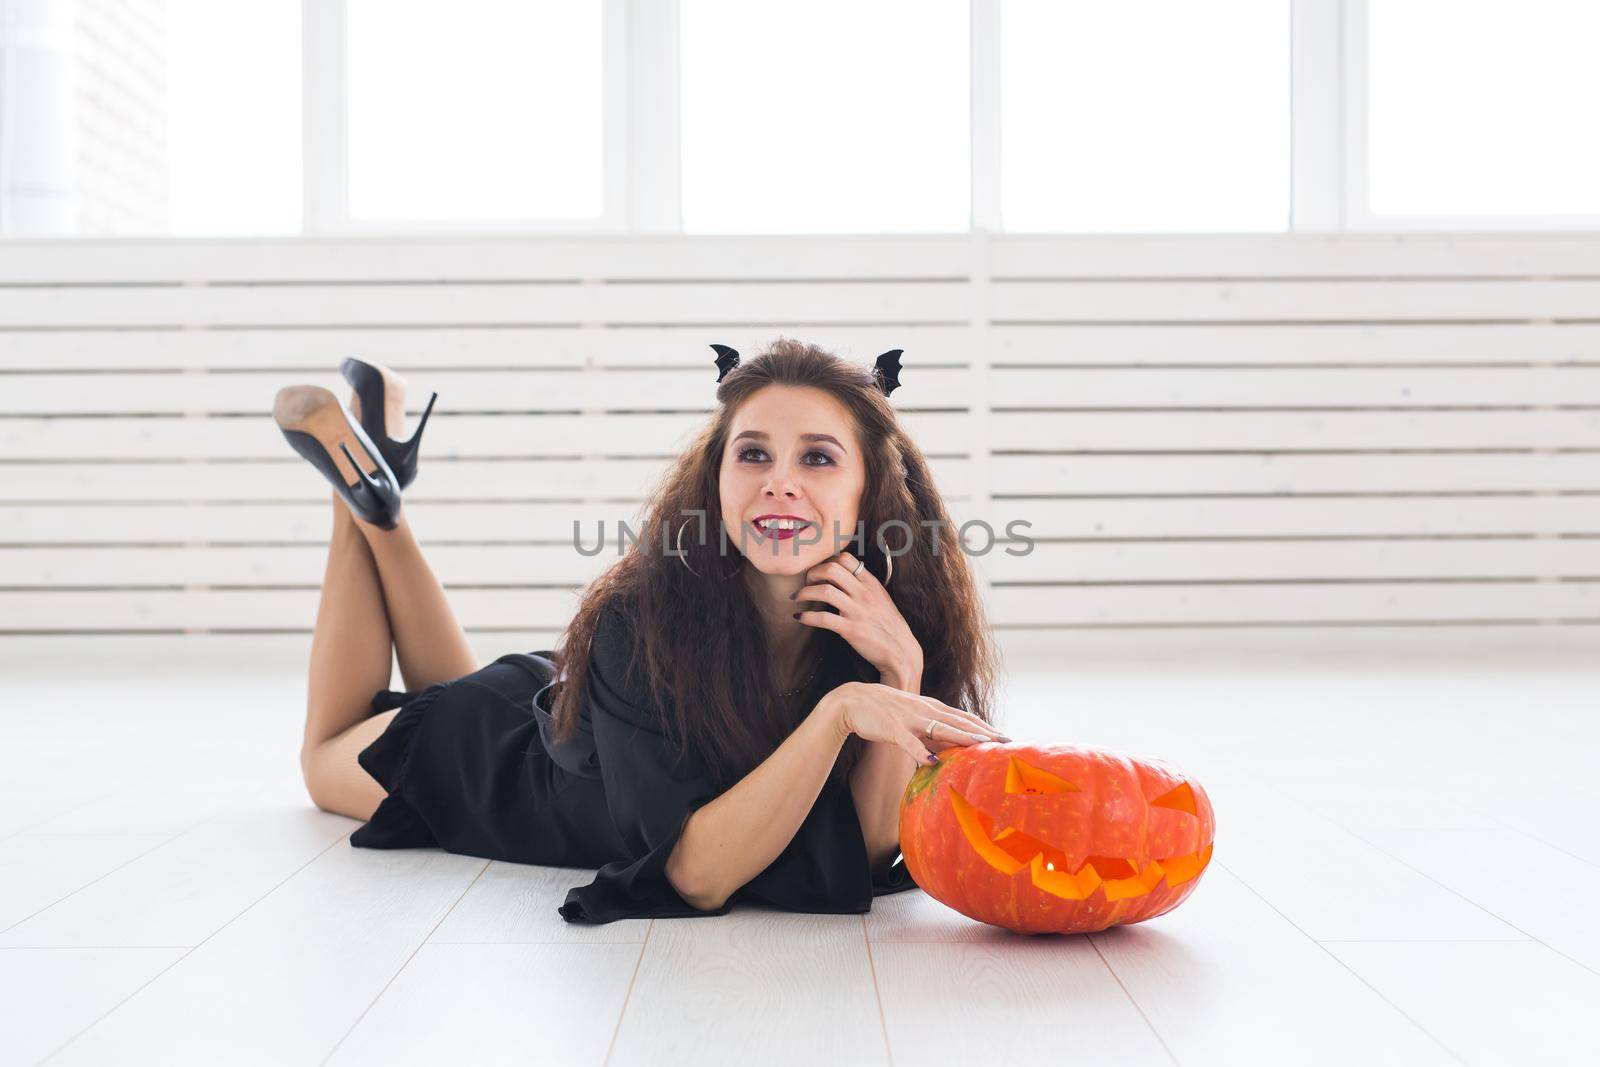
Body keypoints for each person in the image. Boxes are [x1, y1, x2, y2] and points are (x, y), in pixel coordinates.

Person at [272, 338, 1008, 923]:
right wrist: (840, 711)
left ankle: (376, 481)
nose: (779, 482)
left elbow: (872, 848)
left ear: (868, 489)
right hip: (498, 767)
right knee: (323, 758)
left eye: (817, 457)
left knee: (441, 689)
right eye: (753, 452)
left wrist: (898, 675)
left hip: (563, 713)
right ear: (718, 475)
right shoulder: (642, 616)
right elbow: (696, 875)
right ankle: (356, 496)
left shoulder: (889, 624)